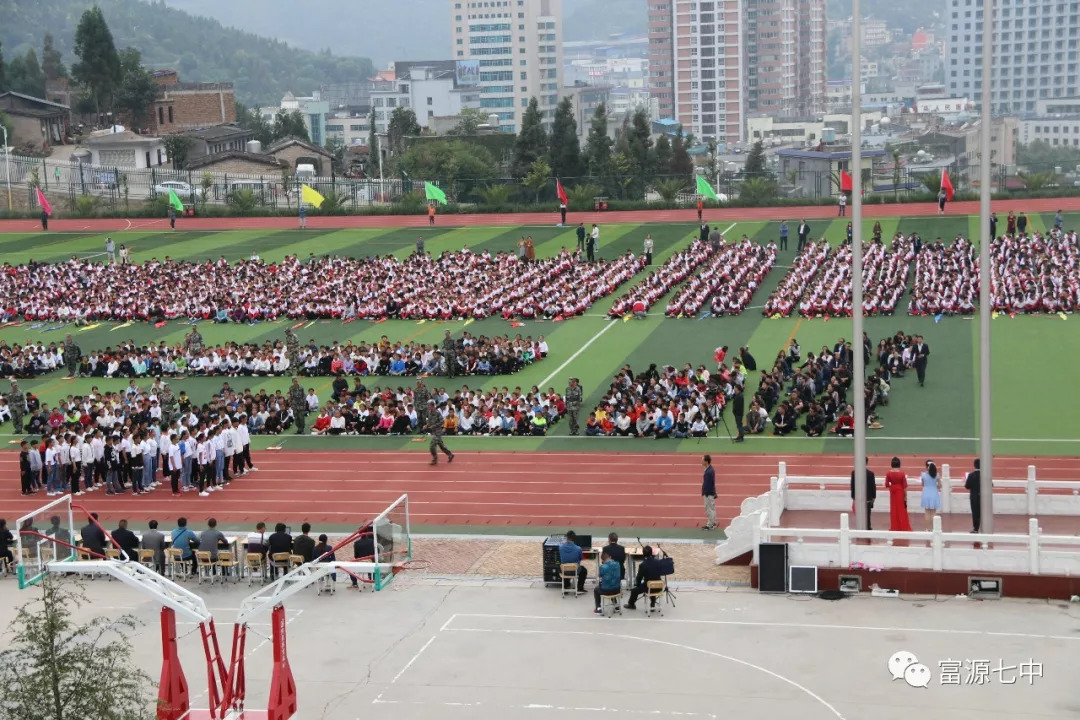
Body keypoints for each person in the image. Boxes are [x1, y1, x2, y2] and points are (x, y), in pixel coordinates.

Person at [624, 545, 663, 610]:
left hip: (649, 587)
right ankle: (653, 602)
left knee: (634, 591)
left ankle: (631, 604)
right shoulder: (658, 562)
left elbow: (639, 577)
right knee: (653, 582)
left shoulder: (643, 565)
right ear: (651, 553)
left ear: (643, 554)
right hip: (659, 586)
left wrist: (638, 585)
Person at [884, 457, 912, 532]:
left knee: (894, 509)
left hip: (893, 492)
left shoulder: (889, 473)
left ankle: (894, 526)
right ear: (899, 464)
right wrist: (905, 496)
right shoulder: (902, 473)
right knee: (901, 509)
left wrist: (891, 487)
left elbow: (886, 484)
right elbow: (905, 486)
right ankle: (903, 526)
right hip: (900, 492)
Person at [424, 401, 454, 465]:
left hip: (438, 432)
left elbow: (442, 421)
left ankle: (435, 459)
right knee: (441, 446)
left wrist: (434, 426)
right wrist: (426, 425)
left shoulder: (437, 413)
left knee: (432, 446)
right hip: (433, 432)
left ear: (432, 406)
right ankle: (450, 454)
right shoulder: (429, 412)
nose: (428, 407)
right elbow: (429, 421)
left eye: (429, 405)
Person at [850, 466, 877, 530]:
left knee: (859, 515)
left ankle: (860, 528)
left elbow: (852, 485)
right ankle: (867, 527)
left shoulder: (854, 473)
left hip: (858, 497)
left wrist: (853, 496)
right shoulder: (871, 474)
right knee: (867, 515)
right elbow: (873, 486)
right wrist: (873, 497)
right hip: (867, 498)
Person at [919, 461, 942, 531]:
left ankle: (927, 528)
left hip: (926, 493)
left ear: (927, 467)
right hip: (934, 494)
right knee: (933, 512)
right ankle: (933, 528)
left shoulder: (923, 475)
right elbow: (939, 486)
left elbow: (922, 484)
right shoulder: (937, 475)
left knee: (927, 512)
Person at [964, 458, 982, 533]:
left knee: (975, 512)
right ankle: (984, 526)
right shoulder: (985, 474)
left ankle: (976, 528)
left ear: (974, 465)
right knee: (983, 512)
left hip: (974, 497)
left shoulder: (971, 475)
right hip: (983, 497)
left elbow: (967, 486)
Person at [701, 454, 717, 530]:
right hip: (711, 492)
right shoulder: (710, 469)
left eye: (702, 460)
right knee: (712, 508)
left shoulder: (708, 472)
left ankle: (710, 524)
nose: (701, 461)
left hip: (708, 493)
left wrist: (706, 493)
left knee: (708, 508)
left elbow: (708, 483)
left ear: (706, 461)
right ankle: (713, 523)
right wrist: (715, 492)